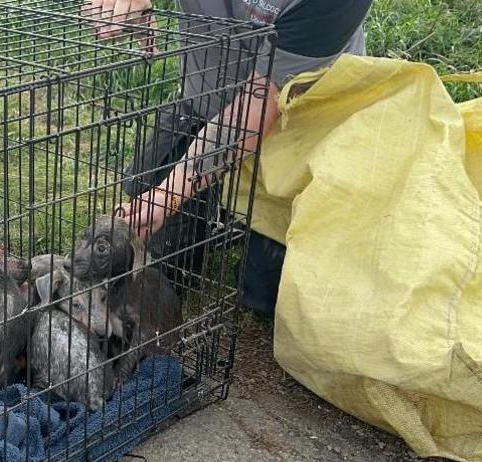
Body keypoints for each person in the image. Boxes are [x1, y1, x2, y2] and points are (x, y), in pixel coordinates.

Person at [84, 0, 374, 318]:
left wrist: (169, 194)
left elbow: (261, 101)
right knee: (155, 248)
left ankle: (240, 224)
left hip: (301, 122)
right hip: (203, 103)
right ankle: (214, 213)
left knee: (269, 298)